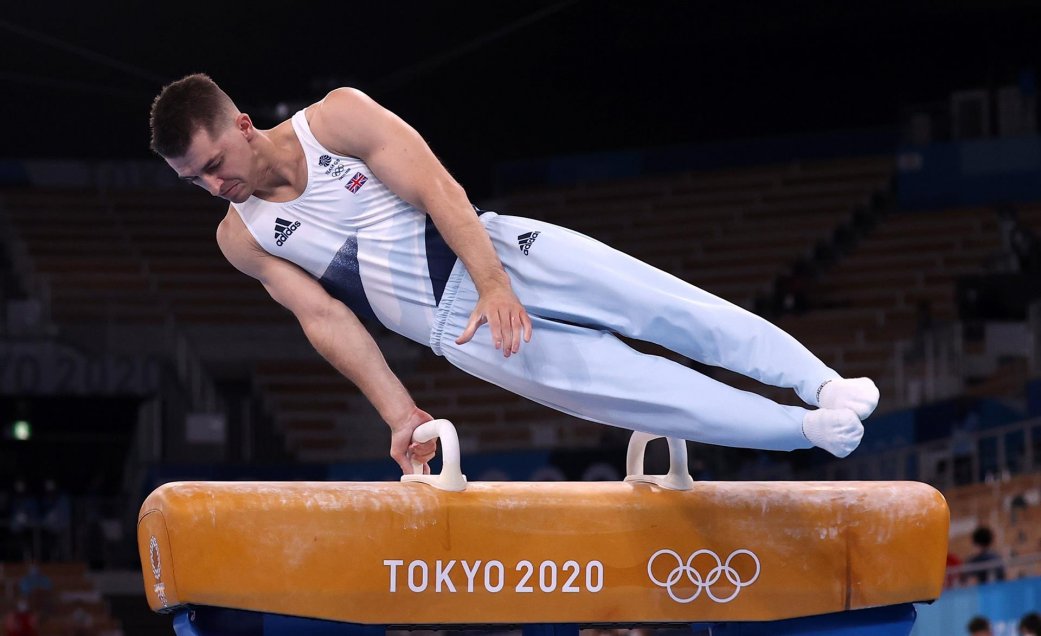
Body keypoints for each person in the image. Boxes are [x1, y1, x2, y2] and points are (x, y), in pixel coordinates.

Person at [148, 74, 879, 473]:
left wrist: (494, 282)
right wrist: (401, 414)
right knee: (644, 397)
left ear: (241, 125)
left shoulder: (335, 119)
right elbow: (325, 320)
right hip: (458, 331)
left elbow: (436, 187)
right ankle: (802, 430)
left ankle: (819, 381)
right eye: (194, 181)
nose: (213, 186)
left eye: (214, 165)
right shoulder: (241, 239)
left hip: (505, 254)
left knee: (667, 308)